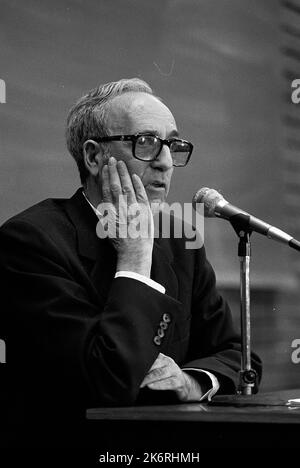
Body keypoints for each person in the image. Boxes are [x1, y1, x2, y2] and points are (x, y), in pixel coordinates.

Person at [0, 78, 261, 446]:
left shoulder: (178, 239)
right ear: (94, 157)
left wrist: (190, 382)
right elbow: (108, 380)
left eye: (173, 144)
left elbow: (238, 356)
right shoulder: (30, 240)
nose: (166, 162)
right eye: (147, 143)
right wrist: (136, 253)